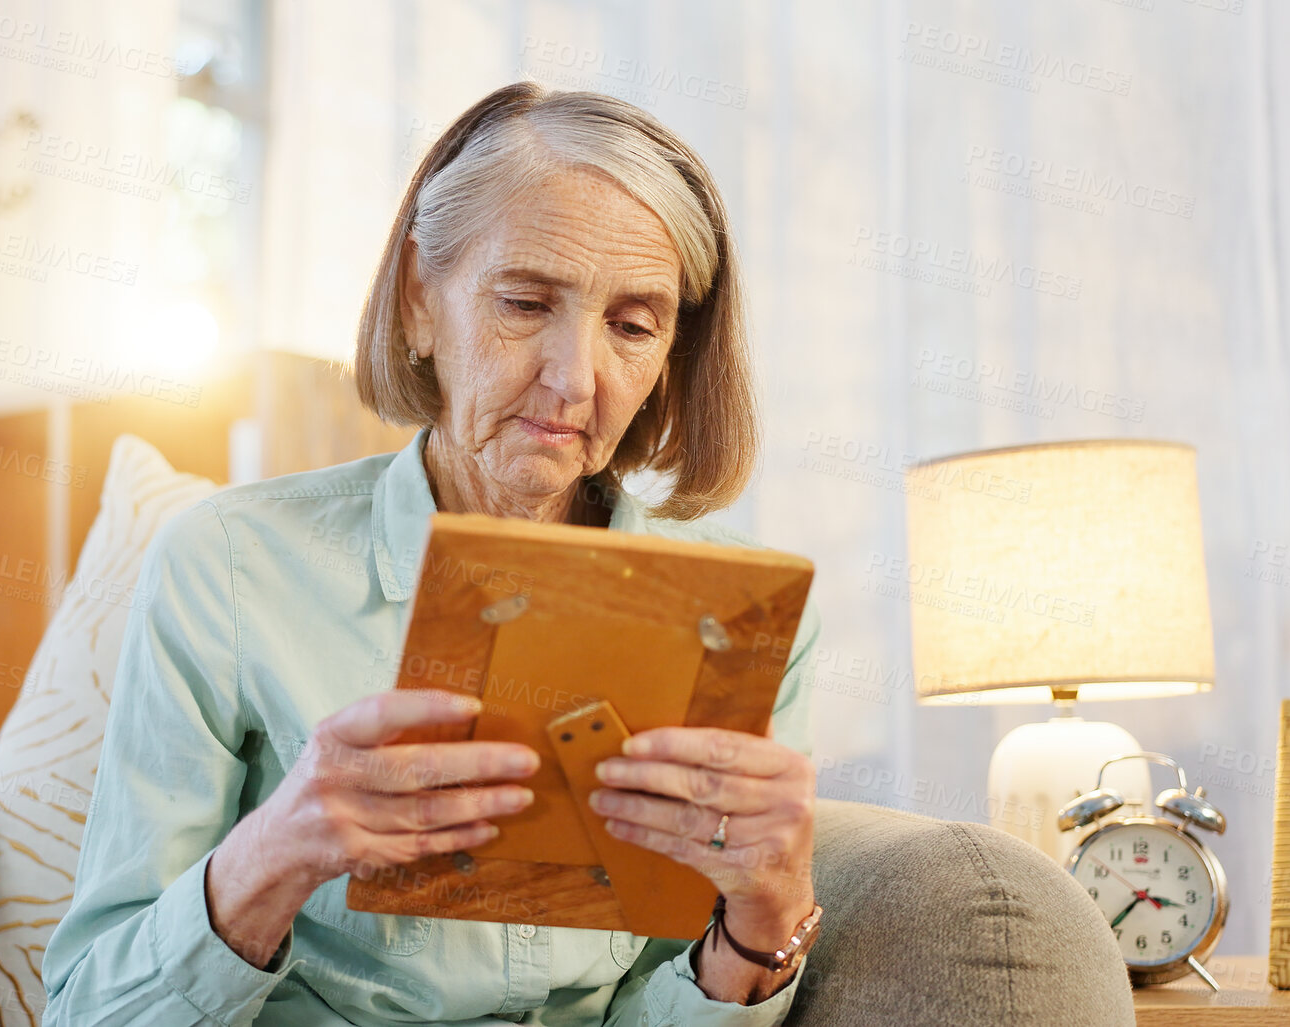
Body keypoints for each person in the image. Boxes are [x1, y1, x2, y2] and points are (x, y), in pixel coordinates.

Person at [41, 80, 824, 1026]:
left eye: (631, 325)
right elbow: (92, 1009)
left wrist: (765, 913)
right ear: (419, 299)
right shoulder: (228, 565)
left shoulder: (741, 616)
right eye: (526, 302)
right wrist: (280, 849)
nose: (574, 379)